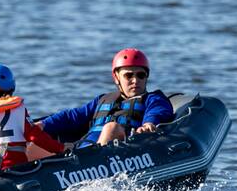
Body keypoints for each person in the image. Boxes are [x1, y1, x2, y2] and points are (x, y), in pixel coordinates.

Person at [37, 48, 174, 148]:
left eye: (141, 75)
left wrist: (149, 124)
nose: (135, 80)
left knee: (111, 128)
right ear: (116, 78)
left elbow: (158, 111)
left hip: (117, 155)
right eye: (128, 76)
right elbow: (72, 116)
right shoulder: (102, 100)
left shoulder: (153, 98)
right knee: (35, 137)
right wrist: (41, 125)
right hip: (81, 150)